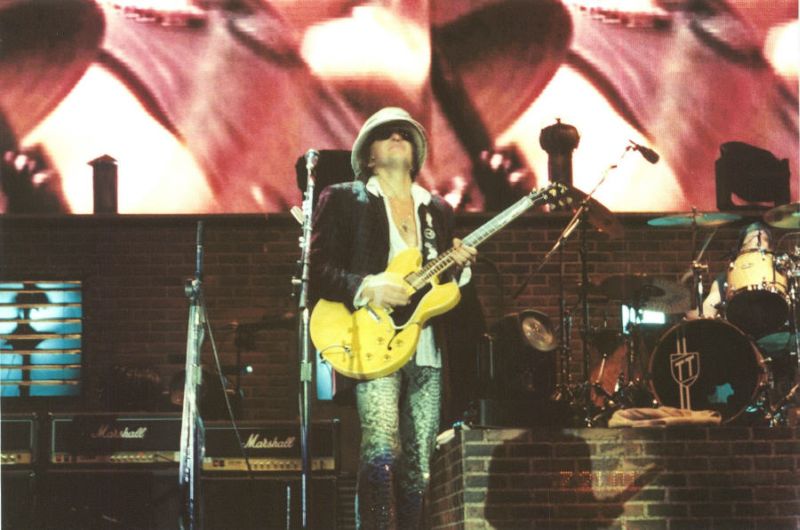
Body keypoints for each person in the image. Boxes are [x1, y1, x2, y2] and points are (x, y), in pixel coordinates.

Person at [309, 107, 477, 529]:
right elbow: (318, 270)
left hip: (424, 344)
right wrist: (368, 287)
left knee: (420, 463)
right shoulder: (344, 198)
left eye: (405, 133)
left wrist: (458, 267)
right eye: (387, 134)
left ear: (416, 154)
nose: (398, 137)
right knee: (383, 450)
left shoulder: (436, 209)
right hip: (371, 337)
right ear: (369, 156)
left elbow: (437, 284)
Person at [687, 221, 775, 321]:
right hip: (738, 328)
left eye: (763, 239)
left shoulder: (781, 275)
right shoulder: (724, 280)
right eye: (750, 240)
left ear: (771, 250)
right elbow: (707, 309)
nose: (756, 244)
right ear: (740, 251)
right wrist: (696, 315)